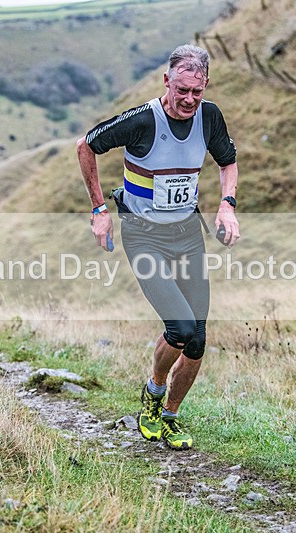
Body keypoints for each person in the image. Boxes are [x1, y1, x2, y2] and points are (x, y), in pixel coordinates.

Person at [76, 44, 239, 450]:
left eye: (196, 93)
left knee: (198, 339)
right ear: (166, 80)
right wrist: (99, 208)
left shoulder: (209, 116)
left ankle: (170, 416)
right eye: (181, 89)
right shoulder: (142, 120)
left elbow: (228, 162)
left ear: (205, 87)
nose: (188, 100)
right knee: (180, 328)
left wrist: (227, 205)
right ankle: (153, 392)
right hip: (143, 234)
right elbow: (86, 146)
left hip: (186, 233)